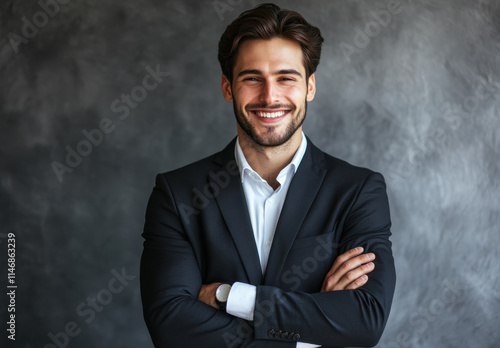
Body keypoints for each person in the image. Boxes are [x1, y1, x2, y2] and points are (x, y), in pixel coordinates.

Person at [140, 3, 396, 347]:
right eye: (251, 78)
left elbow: (365, 320)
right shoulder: (177, 193)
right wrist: (311, 332)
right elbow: (171, 325)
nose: (270, 96)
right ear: (228, 87)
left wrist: (228, 296)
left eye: (286, 78)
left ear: (310, 87)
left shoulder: (358, 191)